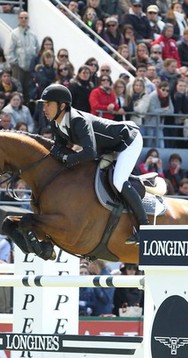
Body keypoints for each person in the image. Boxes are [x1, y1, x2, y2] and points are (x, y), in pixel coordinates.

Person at [38, 84, 147, 244]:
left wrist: (67, 159)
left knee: (118, 181)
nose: (44, 109)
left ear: (62, 106)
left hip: (127, 140)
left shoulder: (77, 121)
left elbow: (90, 153)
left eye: (48, 104)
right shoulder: (57, 123)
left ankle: (144, 228)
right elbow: (58, 148)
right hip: (107, 146)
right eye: (43, 104)